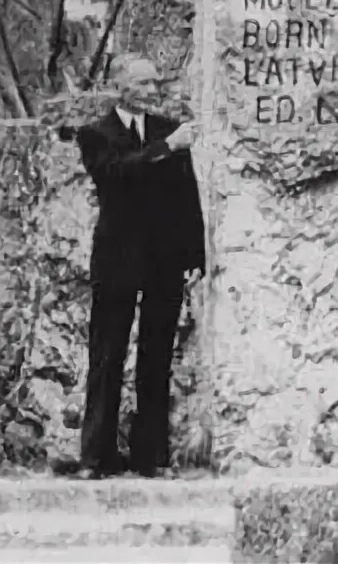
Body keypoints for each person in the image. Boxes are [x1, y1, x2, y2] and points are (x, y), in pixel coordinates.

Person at [75, 57, 205, 479]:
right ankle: (97, 457)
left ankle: (151, 456)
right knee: (107, 356)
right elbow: (117, 174)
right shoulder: (96, 134)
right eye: (144, 83)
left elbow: (187, 195)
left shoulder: (169, 130)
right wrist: (167, 149)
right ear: (121, 87)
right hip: (117, 258)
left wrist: (195, 255)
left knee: (156, 357)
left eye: (155, 82)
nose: (153, 90)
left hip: (163, 259)